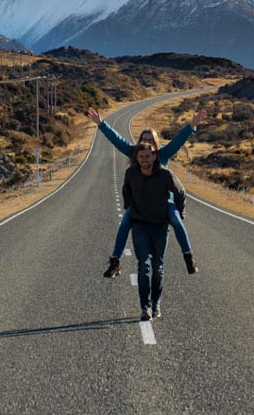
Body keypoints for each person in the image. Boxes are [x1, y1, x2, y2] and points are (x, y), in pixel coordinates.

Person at [87, 106, 205, 277]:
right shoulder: (135, 153)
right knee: (125, 223)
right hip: (140, 203)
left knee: (177, 221)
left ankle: (188, 257)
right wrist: (101, 124)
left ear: (156, 144)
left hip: (164, 202)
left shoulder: (163, 154)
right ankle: (115, 262)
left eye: (151, 140)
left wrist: (192, 125)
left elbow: (178, 140)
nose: (148, 143)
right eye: (145, 139)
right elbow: (117, 139)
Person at [122, 141, 185, 320]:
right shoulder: (131, 174)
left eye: (148, 156)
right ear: (137, 158)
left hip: (160, 226)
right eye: (141, 157)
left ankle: (156, 301)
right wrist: (129, 207)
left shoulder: (165, 175)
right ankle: (145, 307)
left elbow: (180, 193)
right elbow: (126, 190)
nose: (144, 160)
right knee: (144, 265)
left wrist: (179, 215)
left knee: (157, 267)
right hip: (140, 225)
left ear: (155, 156)